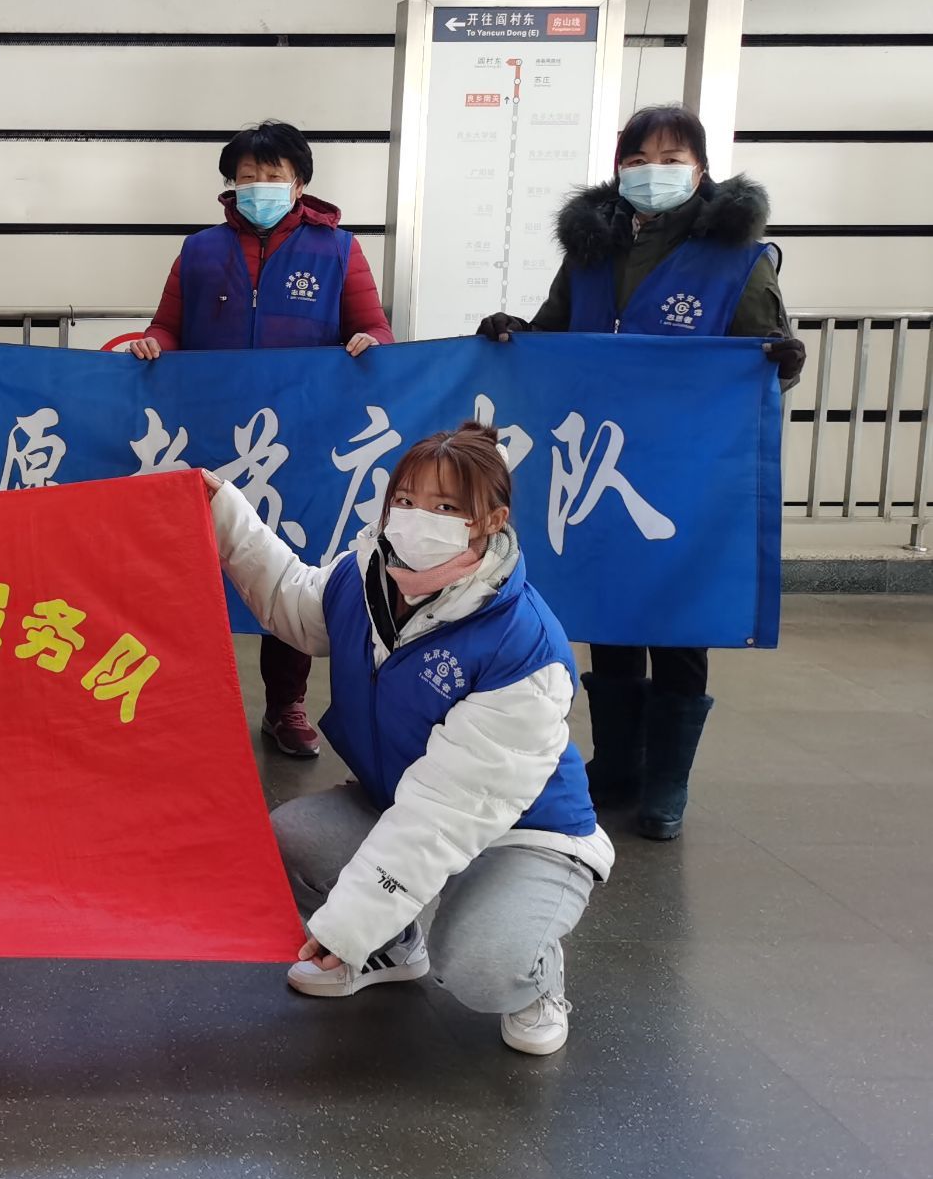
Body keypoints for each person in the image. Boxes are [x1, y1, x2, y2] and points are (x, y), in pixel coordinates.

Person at [207, 421, 612, 1057]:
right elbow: (292, 600)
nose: (418, 518)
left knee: (478, 966)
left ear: (491, 520)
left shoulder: (522, 644)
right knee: (292, 837)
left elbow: (449, 808)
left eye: (446, 507)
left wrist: (347, 924)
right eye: (405, 499)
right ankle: (391, 948)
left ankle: (534, 977)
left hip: (524, 833)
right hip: (402, 799)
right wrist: (223, 513)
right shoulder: (366, 576)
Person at [478, 104, 803, 842]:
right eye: (638, 157)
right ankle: (617, 764)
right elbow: (552, 338)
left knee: (679, 621)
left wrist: (783, 361)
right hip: (599, 464)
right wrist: (513, 334)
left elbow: (762, 363)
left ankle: (667, 780)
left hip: (686, 472)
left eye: (671, 157)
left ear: (700, 168)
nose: (653, 171)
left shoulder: (738, 259)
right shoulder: (591, 254)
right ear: (619, 167)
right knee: (611, 611)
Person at [114, 119, 393, 761]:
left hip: (296, 438)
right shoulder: (200, 250)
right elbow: (168, 326)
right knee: (191, 565)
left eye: (273, 175)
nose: (259, 186)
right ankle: (181, 703)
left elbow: (374, 328)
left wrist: (370, 342)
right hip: (208, 429)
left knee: (285, 564)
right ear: (231, 184)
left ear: (299, 184)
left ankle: (285, 706)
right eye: (247, 176)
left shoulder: (338, 251)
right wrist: (154, 343)